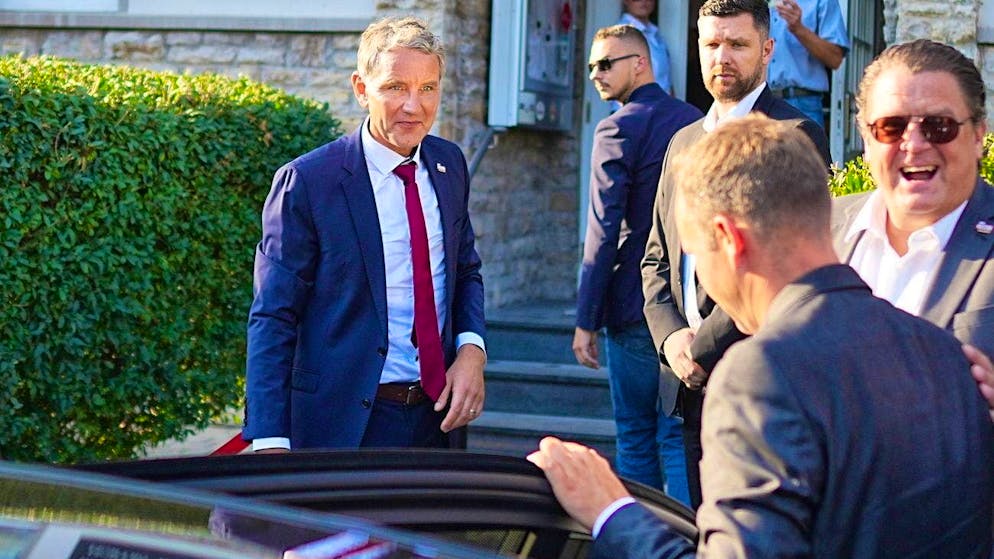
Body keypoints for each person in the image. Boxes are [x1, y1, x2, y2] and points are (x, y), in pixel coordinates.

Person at [530, 115, 994, 558]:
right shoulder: (945, 353)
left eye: (697, 254)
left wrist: (611, 511)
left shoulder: (761, 373)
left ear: (728, 239)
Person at [243, 16, 486, 452]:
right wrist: (269, 437)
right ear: (361, 89)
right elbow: (274, 314)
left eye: (427, 88)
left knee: (428, 526)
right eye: (396, 87)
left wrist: (472, 350)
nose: (414, 105)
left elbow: (466, 271)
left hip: (437, 420)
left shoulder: (450, 165)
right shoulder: (308, 182)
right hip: (343, 427)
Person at [640, 0, 830, 508]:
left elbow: (783, 263)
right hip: (683, 379)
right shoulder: (680, 142)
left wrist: (702, 346)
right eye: (711, 44)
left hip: (759, 376)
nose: (722, 57)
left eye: (738, 44)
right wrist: (671, 342)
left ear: (767, 50)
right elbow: (657, 257)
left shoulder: (794, 135)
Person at [573, 24, 702, 504]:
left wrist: (585, 319)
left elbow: (603, 231)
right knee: (675, 435)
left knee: (634, 436)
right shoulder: (694, 120)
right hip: (684, 303)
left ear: (640, 63)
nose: (595, 75)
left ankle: (643, 542)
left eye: (606, 63)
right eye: (592, 66)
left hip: (631, 303)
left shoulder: (617, 127)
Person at [831, 39, 994, 360]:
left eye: (939, 126)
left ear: (978, 136)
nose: (914, 144)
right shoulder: (820, 228)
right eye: (891, 127)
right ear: (866, 138)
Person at [767, 0, 848, 128]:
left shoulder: (823, 2)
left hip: (802, 105)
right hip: (760, 104)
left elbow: (835, 58)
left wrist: (798, 29)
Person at [618, 0, 672, 94]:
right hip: (636, 105)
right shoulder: (621, 34)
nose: (644, 1)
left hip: (662, 104)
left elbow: (664, 78)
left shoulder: (655, 33)